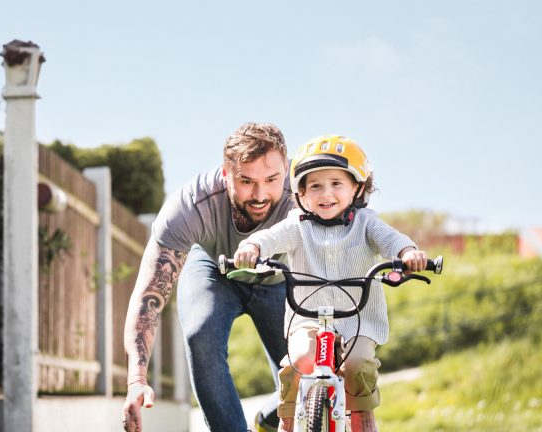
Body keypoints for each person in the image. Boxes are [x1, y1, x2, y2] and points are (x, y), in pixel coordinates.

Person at [232, 135, 428, 432]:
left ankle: (362, 416)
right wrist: (252, 247)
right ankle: (287, 419)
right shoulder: (297, 225)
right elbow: (269, 237)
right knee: (299, 359)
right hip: (307, 318)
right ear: (301, 192)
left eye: (337, 183)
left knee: (358, 363)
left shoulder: (366, 222)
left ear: (357, 187)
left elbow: (391, 240)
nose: (326, 193)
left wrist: (407, 253)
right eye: (315, 186)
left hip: (357, 319)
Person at [122, 122, 297, 432]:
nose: (260, 195)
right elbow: (148, 297)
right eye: (246, 181)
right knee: (200, 333)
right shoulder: (190, 207)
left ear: (286, 169)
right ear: (226, 174)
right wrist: (136, 379)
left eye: (272, 179)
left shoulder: (305, 190)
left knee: (304, 366)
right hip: (215, 269)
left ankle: (269, 418)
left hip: (279, 278)